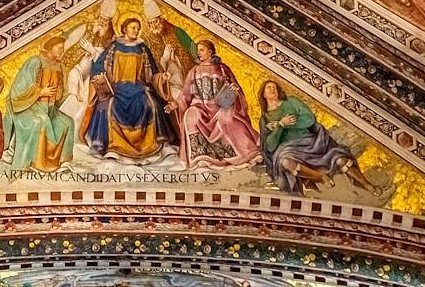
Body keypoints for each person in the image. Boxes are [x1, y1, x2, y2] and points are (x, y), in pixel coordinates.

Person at [83, 18, 179, 160]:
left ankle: (162, 143)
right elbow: (99, 66)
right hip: (117, 89)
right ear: (124, 29)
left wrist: (162, 78)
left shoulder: (143, 48)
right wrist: (99, 77)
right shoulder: (113, 47)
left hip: (139, 88)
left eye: (138, 28)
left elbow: (153, 74)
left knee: (153, 105)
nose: (136, 30)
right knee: (106, 106)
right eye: (133, 27)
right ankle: (106, 145)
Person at [258, 81, 374, 195]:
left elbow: (309, 119)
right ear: (263, 94)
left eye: (274, 87)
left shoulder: (292, 102)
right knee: (285, 162)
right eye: (268, 87)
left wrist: (291, 123)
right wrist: (281, 125)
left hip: (311, 142)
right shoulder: (265, 118)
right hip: (289, 150)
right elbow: (270, 145)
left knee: (339, 158)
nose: (273, 89)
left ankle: (366, 184)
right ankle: (320, 176)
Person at [177, 40, 259, 169]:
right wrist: (175, 104)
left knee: (229, 118)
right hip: (201, 108)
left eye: (202, 50)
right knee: (191, 114)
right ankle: (201, 156)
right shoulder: (194, 70)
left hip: (221, 107)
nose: (199, 53)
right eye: (198, 50)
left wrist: (232, 92)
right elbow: (185, 94)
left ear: (210, 52)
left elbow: (235, 88)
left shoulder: (223, 69)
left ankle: (246, 153)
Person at [5, 35, 76, 172]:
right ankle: (37, 162)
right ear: (50, 47)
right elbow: (19, 88)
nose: (62, 51)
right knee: (41, 121)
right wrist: (40, 92)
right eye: (60, 48)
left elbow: (60, 92)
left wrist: (60, 90)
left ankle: (64, 161)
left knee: (68, 122)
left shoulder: (58, 67)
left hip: (49, 108)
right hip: (29, 106)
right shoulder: (35, 62)